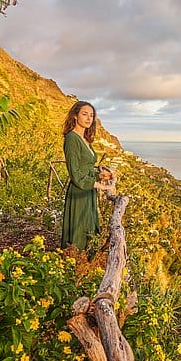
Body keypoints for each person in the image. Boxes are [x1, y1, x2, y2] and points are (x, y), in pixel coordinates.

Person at [61, 101, 113, 250]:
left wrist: (101, 175)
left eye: (91, 115)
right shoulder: (72, 138)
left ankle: (84, 263)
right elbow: (75, 173)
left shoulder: (85, 139)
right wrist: (98, 185)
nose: (89, 118)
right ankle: (75, 263)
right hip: (79, 190)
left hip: (88, 189)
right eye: (85, 114)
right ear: (75, 116)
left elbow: (86, 167)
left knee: (87, 227)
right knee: (79, 228)